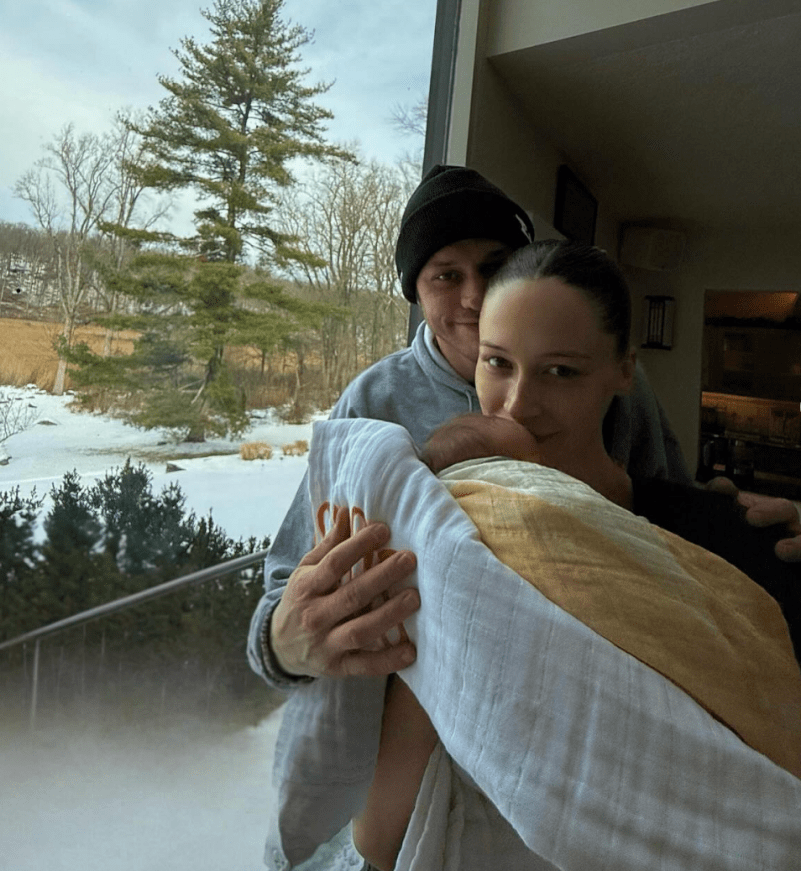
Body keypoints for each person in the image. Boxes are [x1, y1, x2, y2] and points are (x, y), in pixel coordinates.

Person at [247, 164, 801, 693]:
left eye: (493, 266)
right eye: (446, 275)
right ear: (415, 293)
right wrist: (283, 647)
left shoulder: (621, 389)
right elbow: (285, 591)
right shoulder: (372, 404)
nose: (475, 296)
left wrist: (750, 530)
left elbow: (669, 531)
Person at [352, 240, 801, 870]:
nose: (517, 404)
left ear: (624, 370)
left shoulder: (731, 536)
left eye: (561, 371)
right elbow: (381, 837)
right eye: (497, 363)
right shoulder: (447, 539)